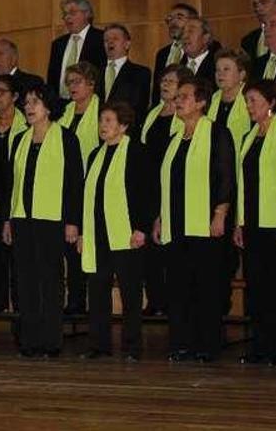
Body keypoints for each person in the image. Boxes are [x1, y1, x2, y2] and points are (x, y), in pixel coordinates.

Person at [154, 78, 235, 363]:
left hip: (204, 224)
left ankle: (207, 345)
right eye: (177, 97)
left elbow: (226, 177)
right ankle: (181, 343)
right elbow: (166, 183)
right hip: (175, 225)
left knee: (206, 287)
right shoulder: (175, 138)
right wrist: (160, 218)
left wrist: (220, 213)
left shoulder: (217, 133)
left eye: (184, 97)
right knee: (178, 287)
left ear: (202, 102)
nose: (177, 101)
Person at [5, 86, 82, 358]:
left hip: (52, 220)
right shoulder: (19, 139)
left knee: (50, 280)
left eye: (35, 102)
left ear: (48, 107)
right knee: (25, 280)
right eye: (26, 102)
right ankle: (29, 340)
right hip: (22, 219)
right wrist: (8, 219)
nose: (28, 107)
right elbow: (12, 184)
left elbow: (75, 184)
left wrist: (73, 221)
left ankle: (51, 341)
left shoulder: (66, 139)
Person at [80, 101, 153, 361]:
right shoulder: (94, 155)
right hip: (98, 235)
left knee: (130, 293)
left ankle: (132, 346)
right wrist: (82, 234)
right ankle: (98, 345)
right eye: (101, 121)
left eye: (109, 121)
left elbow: (147, 194)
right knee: (97, 290)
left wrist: (142, 228)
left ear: (123, 125)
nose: (103, 126)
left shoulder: (137, 152)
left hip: (126, 234)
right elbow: (87, 198)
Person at [232, 80, 276, 366]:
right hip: (253, 223)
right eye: (247, 102)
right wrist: (240, 223)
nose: (249, 106)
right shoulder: (249, 136)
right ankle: (260, 346)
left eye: (254, 100)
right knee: (256, 289)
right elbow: (242, 184)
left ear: (271, 102)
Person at [138, 65, 195, 316]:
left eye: (171, 81)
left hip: (172, 186)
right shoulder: (153, 114)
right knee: (149, 247)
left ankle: (174, 299)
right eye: (163, 80)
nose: (164, 84)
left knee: (170, 245)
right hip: (149, 186)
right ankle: (155, 299)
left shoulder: (184, 116)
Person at [208, 48, 252, 316]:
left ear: (242, 74)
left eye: (226, 69)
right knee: (217, 252)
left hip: (241, 183)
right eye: (217, 69)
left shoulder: (249, 101)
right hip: (215, 184)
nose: (220, 74)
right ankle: (218, 307)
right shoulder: (212, 100)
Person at [56, 62, 100, 315]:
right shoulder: (64, 113)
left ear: (91, 84)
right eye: (69, 82)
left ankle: (81, 299)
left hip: (91, 187)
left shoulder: (101, 111)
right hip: (66, 188)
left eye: (77, 81)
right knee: (66, 247)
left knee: (82, 246)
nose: (72, 86)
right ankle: (70, 299)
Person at [0, 74, 28, 313]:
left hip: (16, 196)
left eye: (2, 91)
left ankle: (20, 308)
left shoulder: (26, 126)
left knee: (18, 259)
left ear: (15, 97)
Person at [48, 0, 107, 95]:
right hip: (60, 105)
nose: (67, 17)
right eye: (65, 14)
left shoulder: (101, 39)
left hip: (90, 103)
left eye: (72, 13)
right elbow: (52, 79)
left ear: (87, 13)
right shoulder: (58, 44)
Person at [100, 24, 151, 136]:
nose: (110, 42)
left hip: (125, 133)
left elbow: (138, 107)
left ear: (127, 44)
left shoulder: (141, 73)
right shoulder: (95, 72)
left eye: (115, 39)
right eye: (106, 40)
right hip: (96, 133)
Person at [152, 3, 199, 106]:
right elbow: (156, 91)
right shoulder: (162, 54)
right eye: (170, 19)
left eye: (179, 17)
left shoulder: (198, 51)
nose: (173, 22)